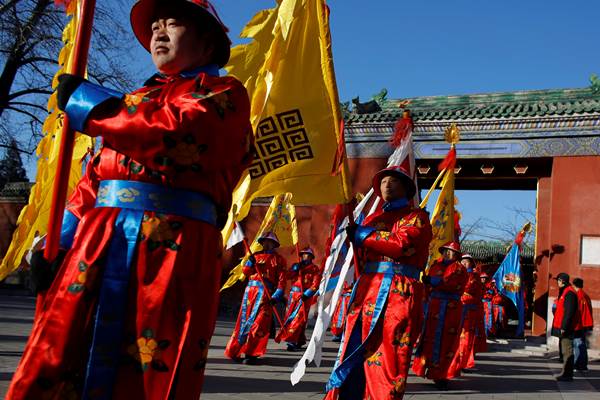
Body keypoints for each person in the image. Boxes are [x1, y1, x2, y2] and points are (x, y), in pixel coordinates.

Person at [7, 1, 251, 399]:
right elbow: (95, 177)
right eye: (155, 26)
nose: (159, 32)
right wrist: (58, 242)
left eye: (172, 22)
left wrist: (94, 105)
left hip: (173, 249)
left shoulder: (224, 95)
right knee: (62, 350)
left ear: (207, 43)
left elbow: (174, 130)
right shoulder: (138, 96)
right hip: (98, 243)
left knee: (150, 368)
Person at [324, 165, 432, 400]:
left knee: (390, 353)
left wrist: (363, 235)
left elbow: (400, 245)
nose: (387, 185)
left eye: (393, 181)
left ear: (407, 187)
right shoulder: (373, 218)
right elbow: (362, 259)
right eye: (383, 182)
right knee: (353, 347)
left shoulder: (417, 217)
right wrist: (351, 235)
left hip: (399, 292)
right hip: (367, 290)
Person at [412, 241, 468, 390]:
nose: (448, 254)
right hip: (434, 306)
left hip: (451, 308)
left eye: (451, 252)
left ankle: (443, 375)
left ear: (456, 255)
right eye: (446, 251)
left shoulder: (459, 269)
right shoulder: (435, 266)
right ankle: (428, 369)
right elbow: (427, 286)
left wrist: (431, 281)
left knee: (446, 342)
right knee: (429, 338)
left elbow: (450, 283)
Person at [225, 232, 287, 364]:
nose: (267, 244)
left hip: (266, 294)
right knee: (243, 322)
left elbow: (282, 280)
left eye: (270, 242)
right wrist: (249, 263)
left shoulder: (279, 260)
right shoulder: (255, 257)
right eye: (265, 241)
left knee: (259, 324)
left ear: (274, 244)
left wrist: (276, 296)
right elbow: (246, 273)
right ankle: (235, 350)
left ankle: (251, 353)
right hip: (251, 292)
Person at [276, 246, 322, 351]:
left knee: (299, 317)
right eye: (303, 254)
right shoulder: (297, 267)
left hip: (305, 296)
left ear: (311, 257)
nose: (305, 257)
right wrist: (294, 269)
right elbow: (287, 276)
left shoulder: (314, 269)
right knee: (290, 316)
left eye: (308, 255)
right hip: (294, 295)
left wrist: (307, 294)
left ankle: (291, 341)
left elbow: (315, 284)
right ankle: (299, 339)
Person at [455, 253, 485, 372]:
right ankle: (455, 361)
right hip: (457, 308)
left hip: (468, 311)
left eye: (466, 261)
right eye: (462, 261)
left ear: (471, 263)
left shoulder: (473, 276)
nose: (464, 263)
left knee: (466, 338)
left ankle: (464, 362)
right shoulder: (457, 273)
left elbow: (467, 287)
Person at [551, 272, 579, 381]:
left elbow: (569, 312)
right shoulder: (565, 291)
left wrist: (564, 327)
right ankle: (566, 373)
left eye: (558, 280)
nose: (557, 282)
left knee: (567, 350)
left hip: (566, 328)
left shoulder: (570, 293)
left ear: (562, 281)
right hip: (562, 327)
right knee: (564, 351)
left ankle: (567, 374)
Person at [572, 277, 593, 371]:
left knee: (577, 344)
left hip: (580, 323)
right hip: (586, 323)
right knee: (582, 344)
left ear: (574, 285)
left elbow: (577, 311)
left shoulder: (577, 295)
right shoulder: (586, 295)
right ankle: (583, 365)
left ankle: (577, 365)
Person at [481, 272, 497, 337]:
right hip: (481, 303)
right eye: (482, 278)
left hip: (488, 304)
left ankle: (488, 333)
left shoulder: (490, 286)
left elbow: (494, 293)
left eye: (485, 278)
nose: (484, 279)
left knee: (488, 319)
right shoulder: (478, 285)